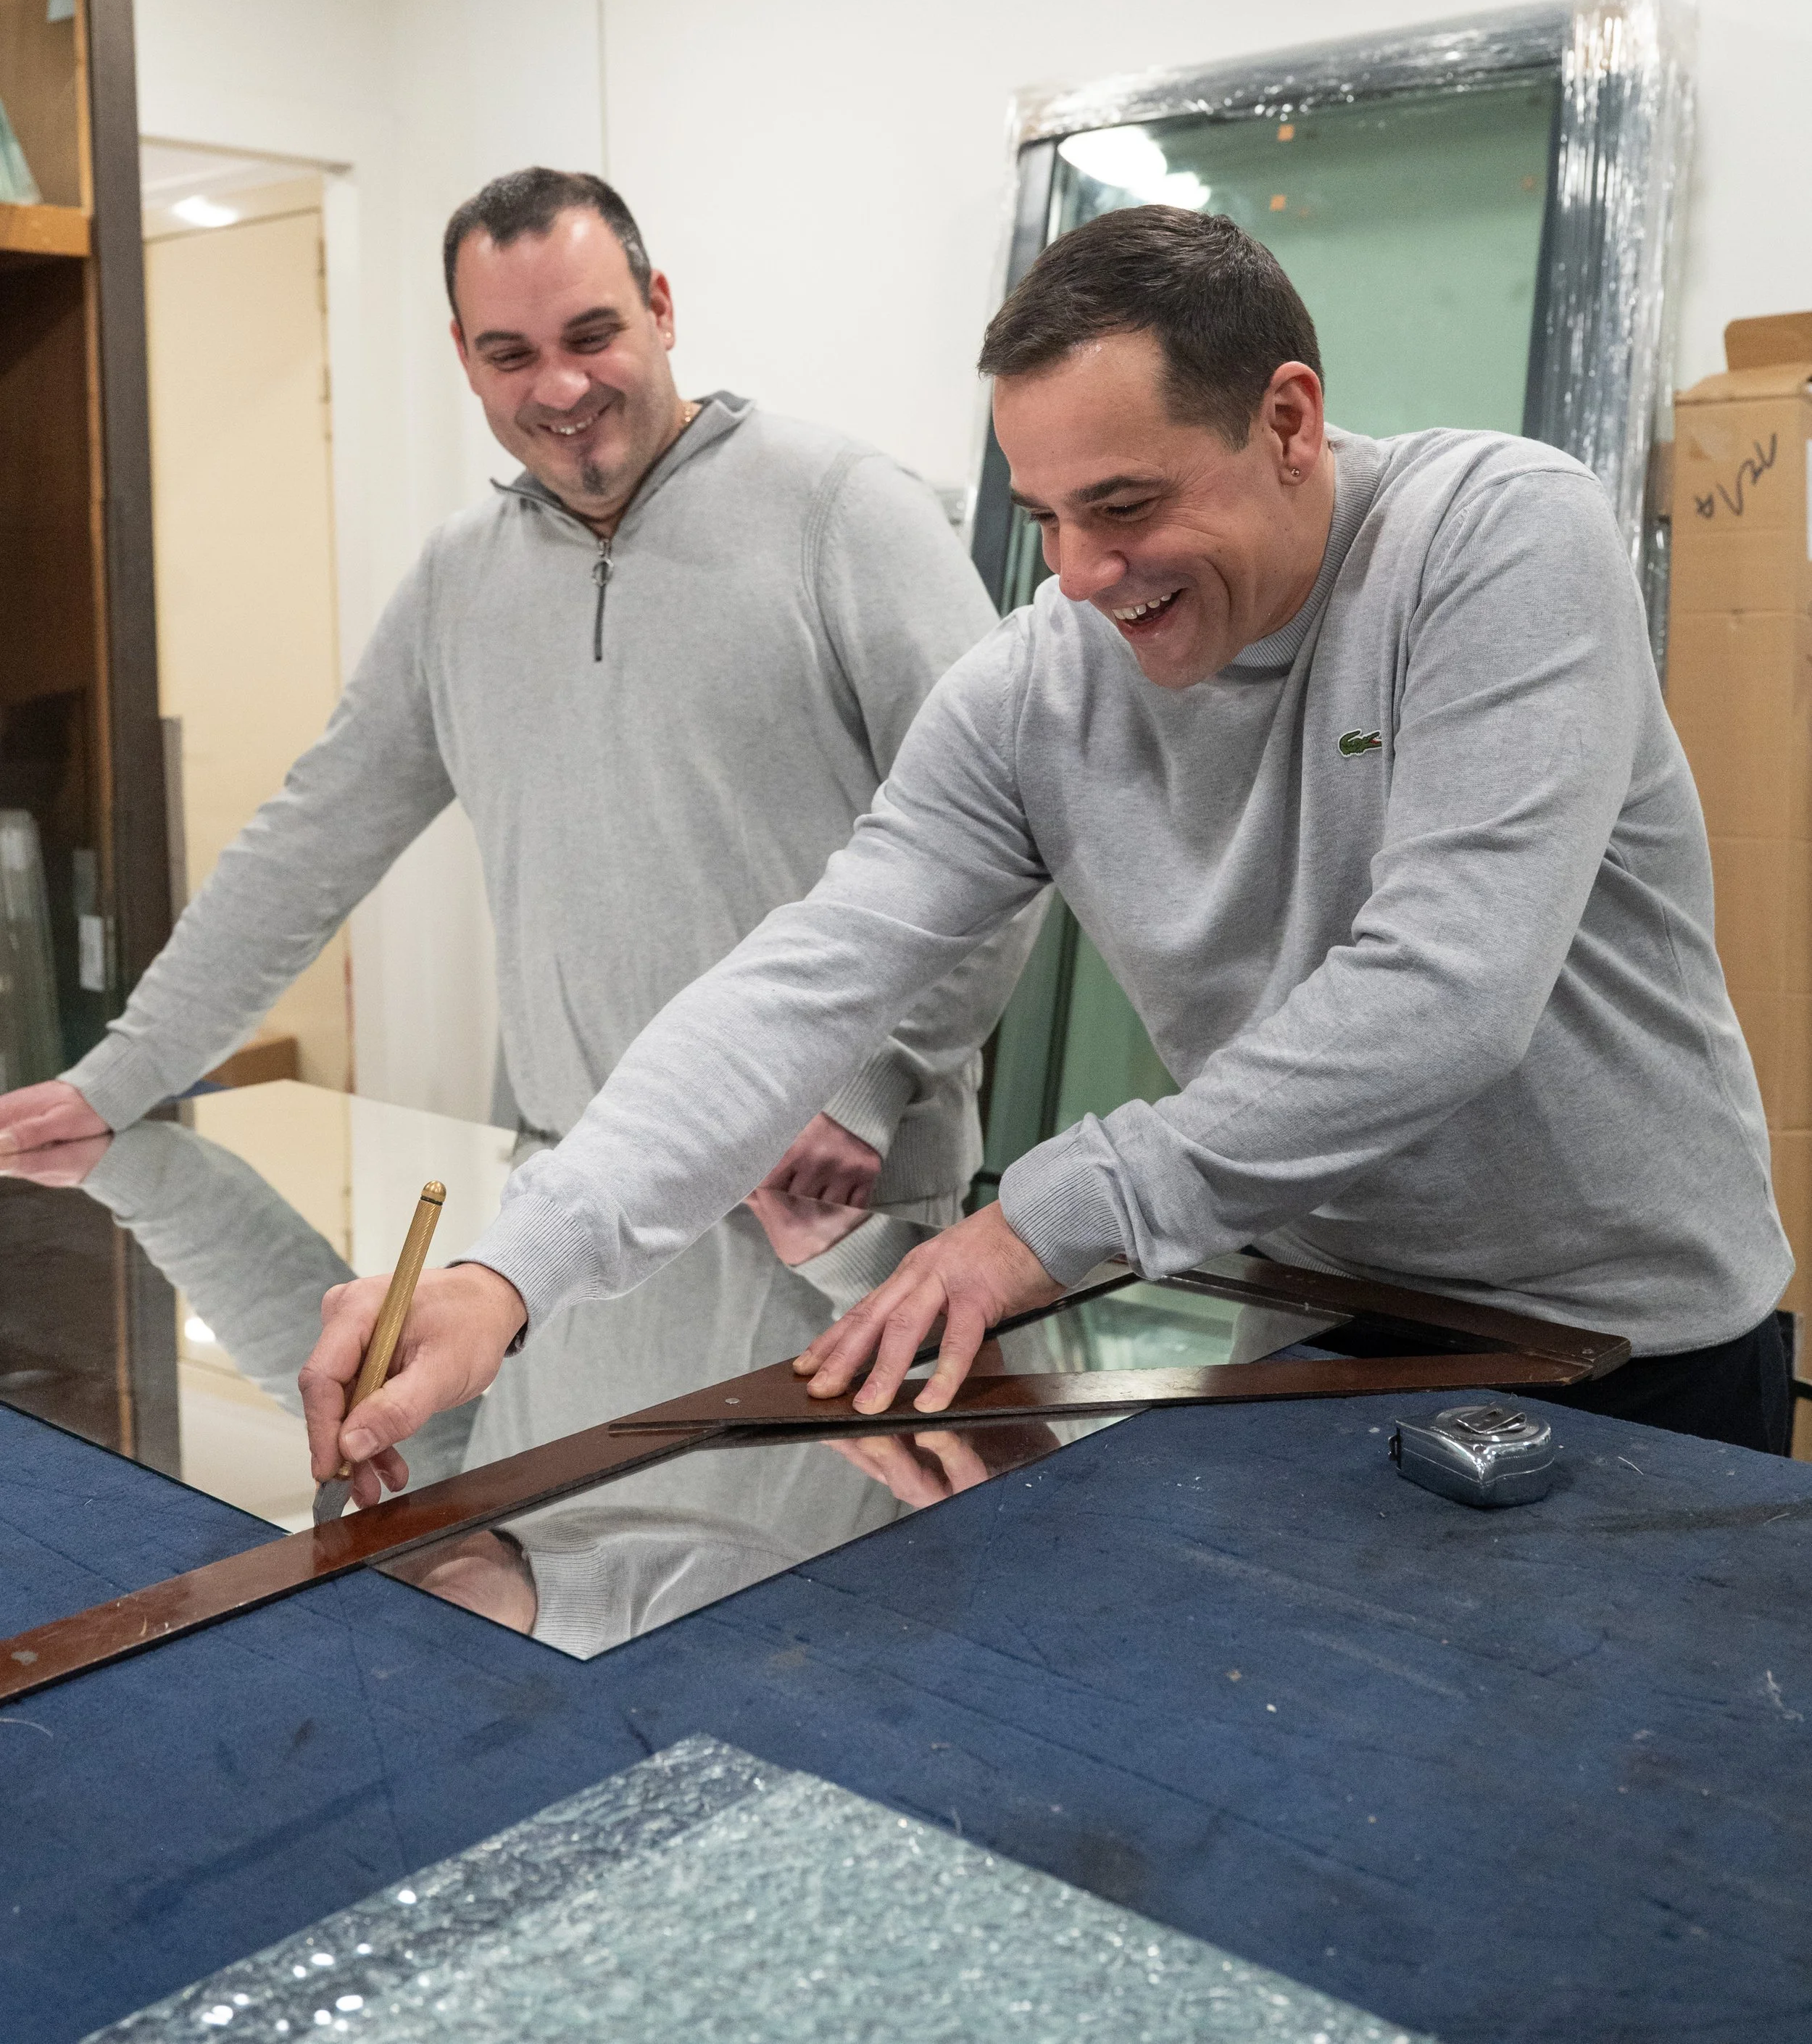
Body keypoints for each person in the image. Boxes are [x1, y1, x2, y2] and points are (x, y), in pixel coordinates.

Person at [301, 203, 1793, 1486]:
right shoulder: (1036, 685)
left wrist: (1039, 1225)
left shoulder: (1495, 541)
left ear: (1285, 420)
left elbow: (1441, 991)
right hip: (1297, 1322)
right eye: (1048, 519)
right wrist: (512, 1267)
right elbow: (803, 980)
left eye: (1127, 505)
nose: (1082, 577)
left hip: (1621, 1342)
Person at [0, 167, 1036, 1275]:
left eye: (594, 334)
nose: (561, 386)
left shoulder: (845, 513)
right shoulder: (459, 580)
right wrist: (119, 1078)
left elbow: (1000, 824)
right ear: (465, 358)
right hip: (573, 1215)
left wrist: (866, 1087)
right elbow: (307, 849)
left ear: (664, 308)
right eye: (512, 354)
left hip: (830, 1205)